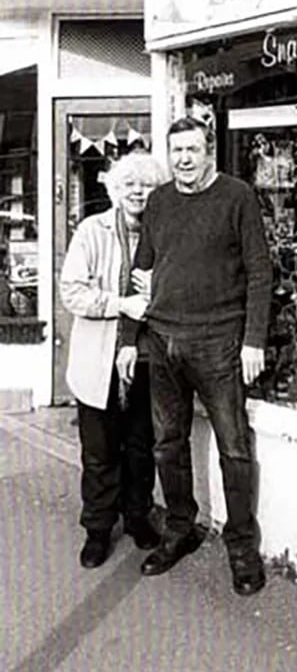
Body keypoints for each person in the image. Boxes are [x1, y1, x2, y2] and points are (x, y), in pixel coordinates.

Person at [116, 116, 272, 595]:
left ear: (210, 153)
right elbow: (142, 270)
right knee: (168, 442)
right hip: (163, 341)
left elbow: (260, 272)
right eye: (177, 150)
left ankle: (242, 547)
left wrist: (253, 340)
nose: (184, 159)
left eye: (193, 150)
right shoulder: (159, 202)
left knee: (233, 447)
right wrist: (128, 337)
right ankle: (180, 529)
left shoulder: (237, 197)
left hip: (219, 343)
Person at [60, 150, 166, 569]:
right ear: (114, 190)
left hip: (147, 361)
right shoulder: (92, 230)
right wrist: (121, 303)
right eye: (129, 185)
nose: (138, 192)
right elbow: (72, 292)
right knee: (100, 453)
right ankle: (98, 530)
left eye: (146, 185)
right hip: (98, 362)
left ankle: (137, 516)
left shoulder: (164, 234)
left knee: (141, 449)